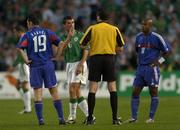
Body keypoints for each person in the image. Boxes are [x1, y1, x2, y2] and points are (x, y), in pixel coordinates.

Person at [16, 15, 71, 125]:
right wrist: (57, 56)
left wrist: (26, 60)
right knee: (54, 91)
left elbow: (19, 48)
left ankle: (41, 120)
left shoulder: (27, 35)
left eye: (27, 23)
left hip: (35, 66)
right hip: (48, 64)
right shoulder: (47, 32)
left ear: (30, 23)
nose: (27, 25)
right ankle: (61, 118)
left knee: (37, 92)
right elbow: (61, 43)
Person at [80, 8, 125, 125]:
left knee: (93, 88)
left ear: (98, 17)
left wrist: (93, 46)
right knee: (112, 88)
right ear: (108, 18)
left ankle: (90, 118)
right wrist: (110, 47)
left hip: (96, 59)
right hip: (110, 58)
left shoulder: (92, 28)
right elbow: (121, 48)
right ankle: (115, 118)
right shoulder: (114, 29)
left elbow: (82, 44)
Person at [127, 18, 171, 123]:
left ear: (150, 26)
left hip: (152, 69)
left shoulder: (157, 37)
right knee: (135, 92)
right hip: (140, 68)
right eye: (142, 24)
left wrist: (158, 62)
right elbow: (137, 51)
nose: (143, 26)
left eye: (145, 25)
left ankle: (151, 118)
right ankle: (134, 118)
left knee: (153, 92)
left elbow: (167, 52)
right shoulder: (138, 37)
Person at [59, 16, 89, 124]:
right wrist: (68, 39)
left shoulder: (80, 35)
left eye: (72, 22)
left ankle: (72, 117)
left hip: (79, 64)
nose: (71, 24)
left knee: (72, 89)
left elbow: (86, 50)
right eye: (68, 23)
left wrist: (81, 64)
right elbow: (61, 52)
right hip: (69, 65)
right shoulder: (62, 37)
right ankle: (89, 116)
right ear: (64, 25)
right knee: (75, 91)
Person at [9, 25, 32, 114]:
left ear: (19, 31)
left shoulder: (23, 38)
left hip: (24, 64)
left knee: (24, 84)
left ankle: (28, 108)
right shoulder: (26, 37)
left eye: (15, 32)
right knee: (18, 85)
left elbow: (20, 54)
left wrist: (13, 66)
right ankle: (27, 104)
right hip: (23, 64)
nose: (15, 34)